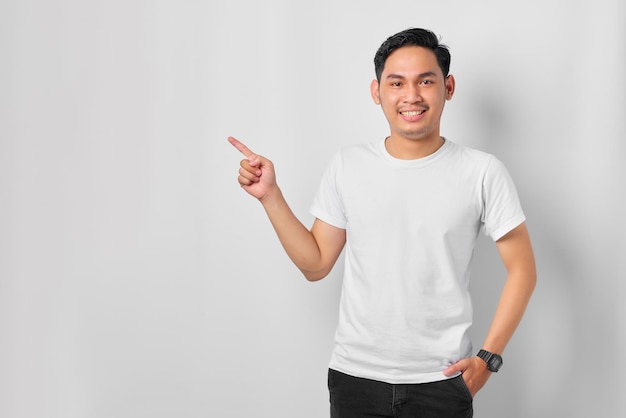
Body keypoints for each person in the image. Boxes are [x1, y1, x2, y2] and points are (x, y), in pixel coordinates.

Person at [228, 27, 536, 418]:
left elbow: (523, 269)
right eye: (397, 83)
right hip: (355, 379)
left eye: (426, 81)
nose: (411, 95)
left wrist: (487, 360)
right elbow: (317, 264)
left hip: (443, 380)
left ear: (449, 87)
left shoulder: (481, 172)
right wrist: (271, 197)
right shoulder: (347, 165)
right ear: (377, 92)